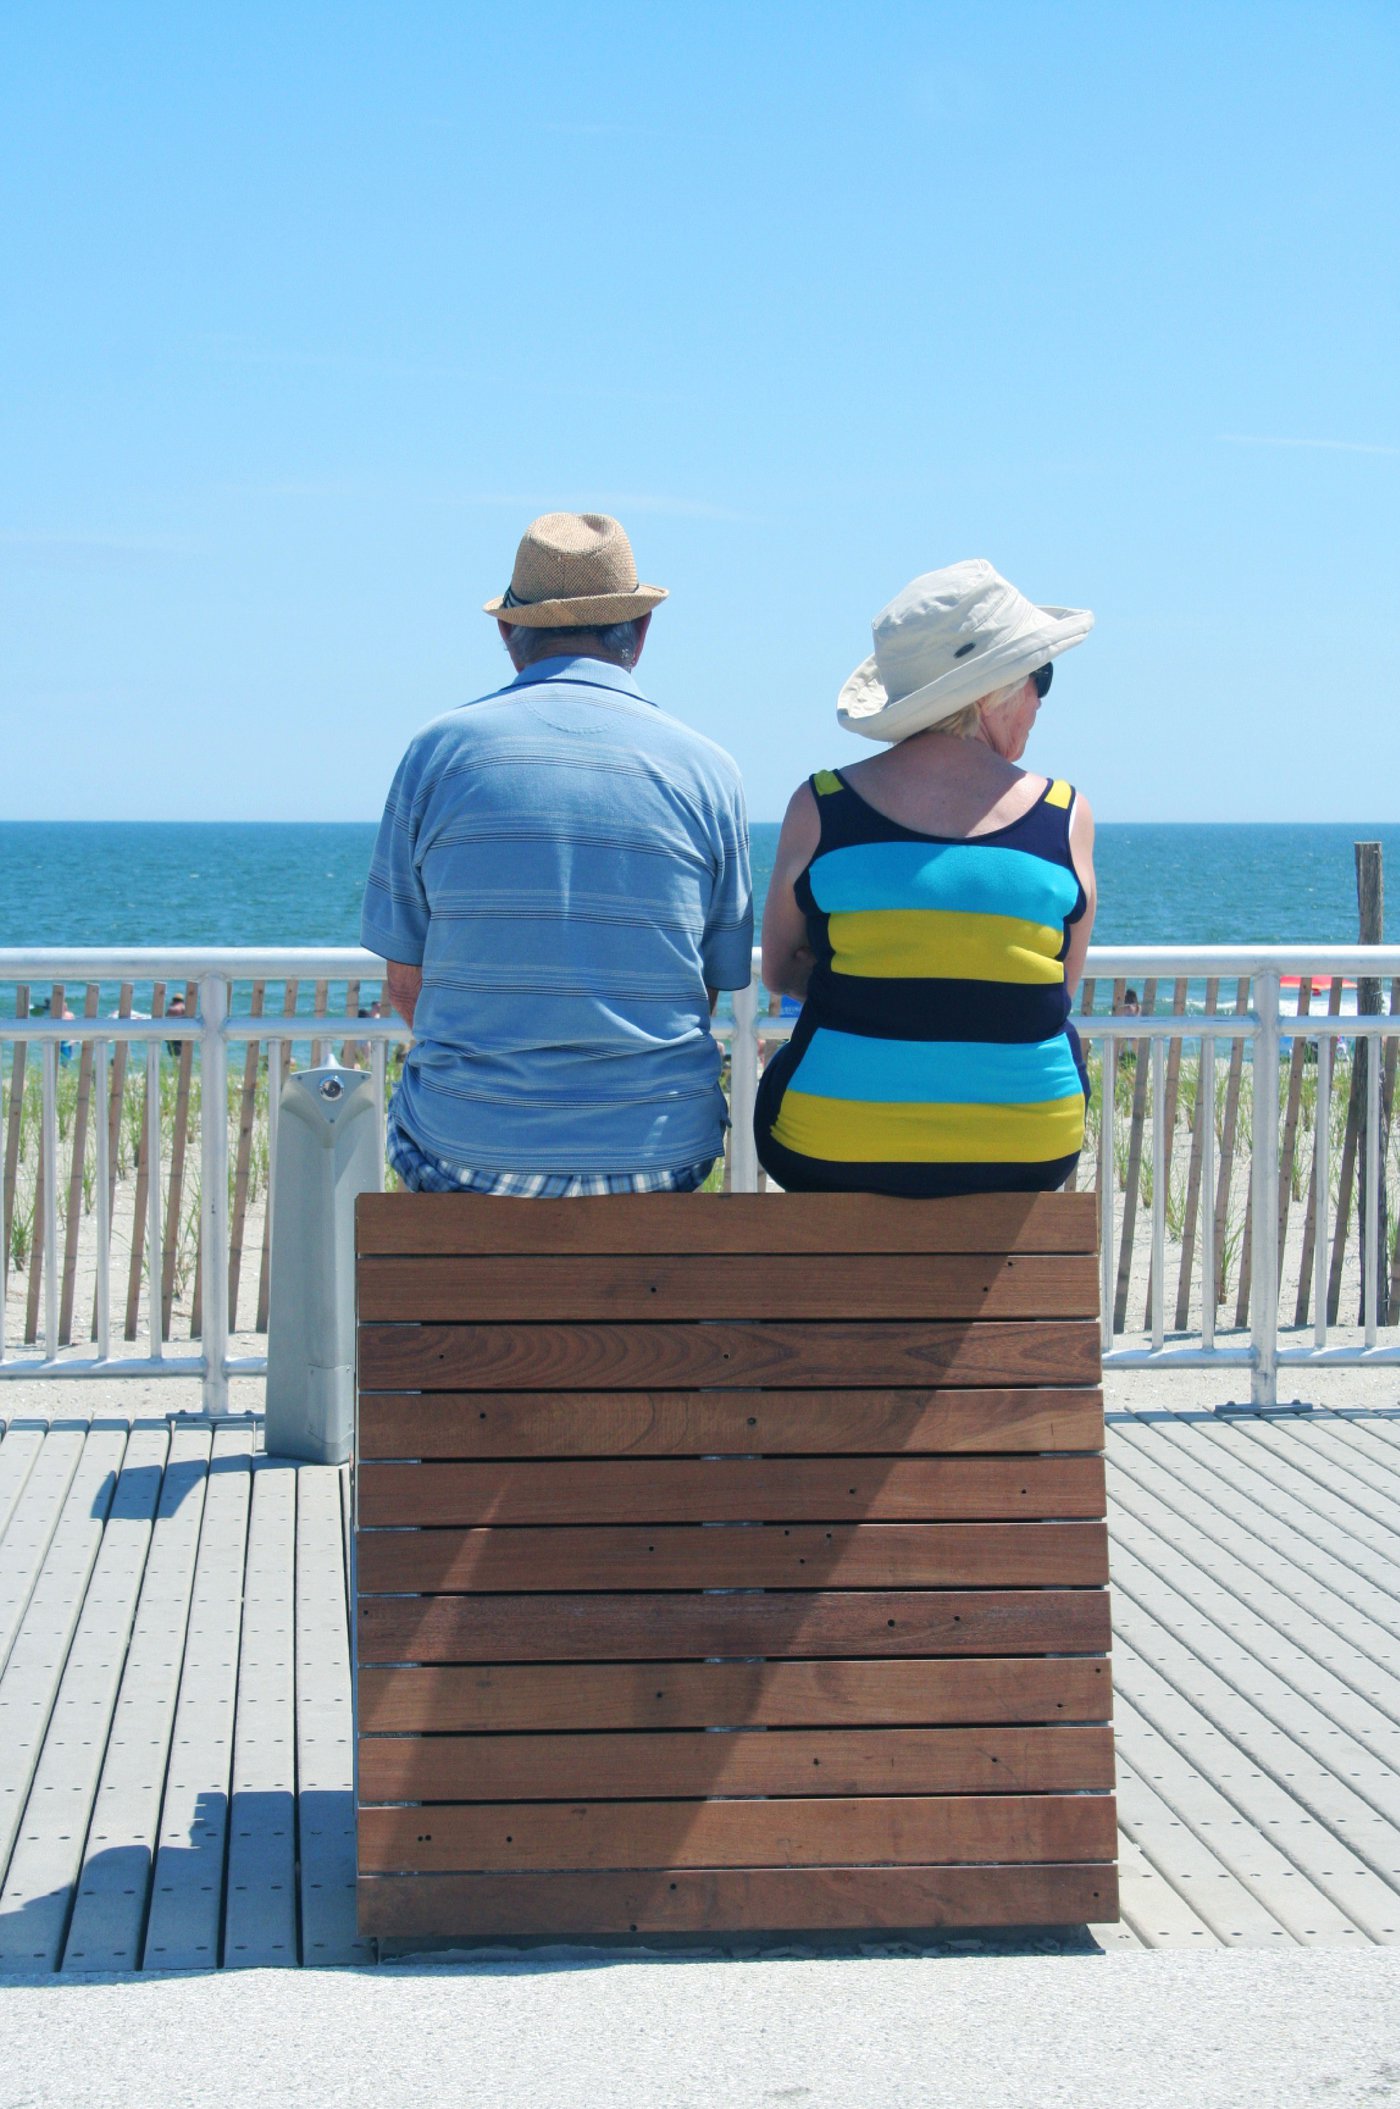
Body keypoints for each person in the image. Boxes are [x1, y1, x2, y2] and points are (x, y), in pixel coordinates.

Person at [362, 511, 752, 1195]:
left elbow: (404, 983)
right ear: (640, 632)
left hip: (469, 1150)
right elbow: (705, 986)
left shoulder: (437, 754)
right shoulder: (709, 771)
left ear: (508, 633)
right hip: (656, 1157)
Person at [755, 558, 1097, 1197]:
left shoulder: (822, 804)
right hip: (1027, 1150)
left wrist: (874, 986)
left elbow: (777, 970)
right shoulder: (1065, 816)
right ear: (994, 692)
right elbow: (1053, 988)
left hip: (831, 1146)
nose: (1041, 701)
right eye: (1039, 677)